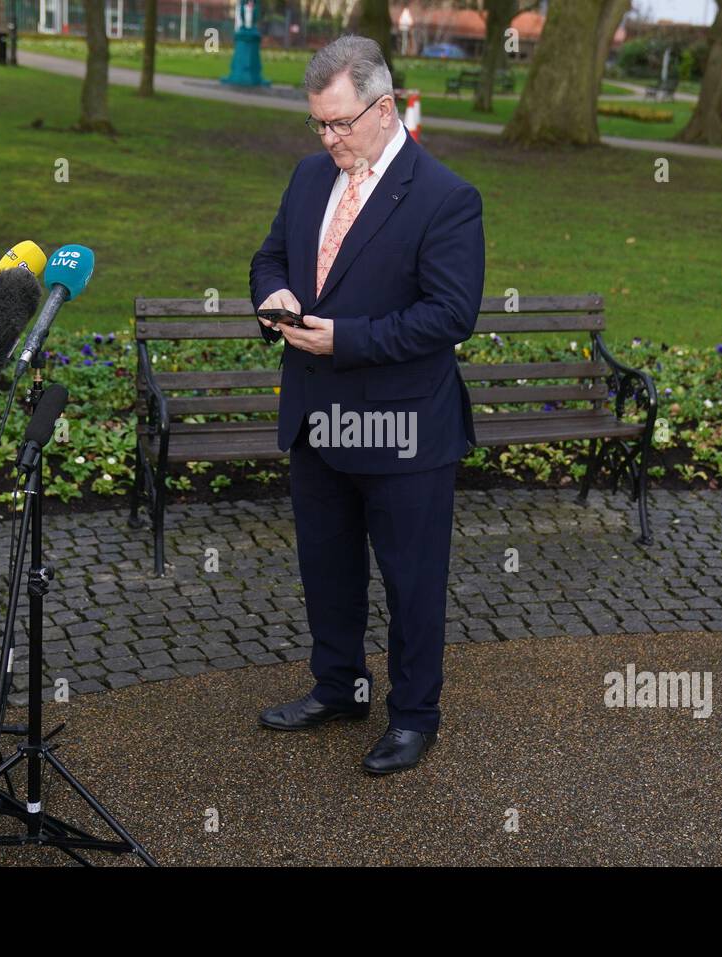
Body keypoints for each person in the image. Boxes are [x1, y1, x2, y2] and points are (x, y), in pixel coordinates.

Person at [248, 35, 486, 774]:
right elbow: (269, 257)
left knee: (412, 584)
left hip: (405, 427)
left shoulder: (446, 197)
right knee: (328, 571)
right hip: (316, 418)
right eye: (318, 123)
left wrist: (344, 339)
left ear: (385, 110)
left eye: (340, 123)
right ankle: (339, 688)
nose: (328, 138)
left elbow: (450, 315)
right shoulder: (307, 176)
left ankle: (414, 716)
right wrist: (272, 294)